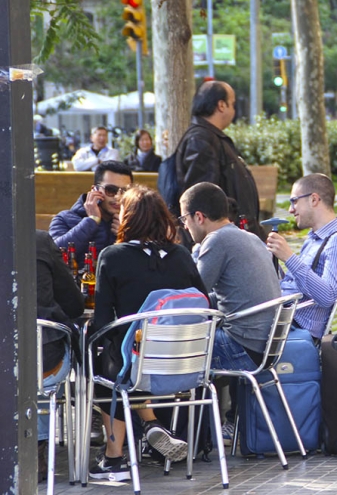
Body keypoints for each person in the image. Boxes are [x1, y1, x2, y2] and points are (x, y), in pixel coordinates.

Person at [89, 185, 207, 480]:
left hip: (137, 365)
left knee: (101, 362)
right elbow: (204, 305)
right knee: (126, 358)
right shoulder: (182, 255)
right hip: (187, 366)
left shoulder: (113, 256)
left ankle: (114, 459)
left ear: (127, 218)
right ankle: (151, 423)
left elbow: (102, 321)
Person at [180, 182, 281, 440]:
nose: (184, 225)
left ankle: (178, 438)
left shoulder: (217, 240)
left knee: (166, 354)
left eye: (184, 218)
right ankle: (196, 434)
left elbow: (193, 294)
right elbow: (219, 294)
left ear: (199, 217)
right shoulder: (249, 237)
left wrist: (195, 252)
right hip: (265, 347)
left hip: (243, 347)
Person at [265, 173, 337, 343]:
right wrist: (270, 260)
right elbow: (297, 285)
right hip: (282, 318)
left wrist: (289, 257)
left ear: (314, 199)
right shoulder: (314, 238)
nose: (290, 209)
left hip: (296, 327)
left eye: (294, 201)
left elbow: (327, 296)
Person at [175, 80, 264, 240]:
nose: (234, 109)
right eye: (233, 104)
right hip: (222, 238)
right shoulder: (200, 140)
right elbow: (202, 196)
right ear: (221, 105)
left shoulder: (211, 137)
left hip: (231, 234)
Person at [35, 230, 85, 483]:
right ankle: (36, 450)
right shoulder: (40, 241)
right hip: (44, 360)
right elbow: (75, 304)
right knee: (39, 370)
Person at [49, 160, 133, 261]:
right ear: (95, 190)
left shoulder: (134, 222)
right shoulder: (64, 219)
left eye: (125, 191)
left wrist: (126, 236)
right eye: (111, 190)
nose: (118, 197)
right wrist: (91, 221)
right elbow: (54, 255)